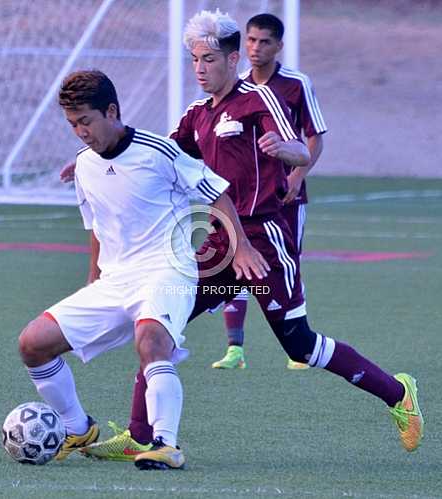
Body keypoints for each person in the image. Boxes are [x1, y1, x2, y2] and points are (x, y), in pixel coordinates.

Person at [81, 10, 424, 465]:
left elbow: (302, 148)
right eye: (194, 60)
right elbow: (156, 154)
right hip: (222, 242)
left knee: (299, 344)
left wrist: (286, 150)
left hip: (264, 240)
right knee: (159, 318)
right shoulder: (196, 116)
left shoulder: (258, 101)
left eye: (208, 59)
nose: (200, 68)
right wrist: (99, 156)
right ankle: (141, 436)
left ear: (233, 58)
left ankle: (399, 393)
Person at [18, 69, 269, 470]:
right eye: (72, 124)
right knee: (32, 343)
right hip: (116, 280)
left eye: (86, 120)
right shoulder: (84, 165)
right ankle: (77, 427)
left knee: (151, 341)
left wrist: (240, 248)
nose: (80, 131)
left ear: (112, 111)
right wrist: (92, 278)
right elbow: (97, 224)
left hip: (166, 271)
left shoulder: (158, 151)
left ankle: (165, 443)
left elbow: (216, 191)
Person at [213, 13, 327, 371]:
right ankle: (235, 347)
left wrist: (296, 176)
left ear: (279, 46)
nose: (255, 48)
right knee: (233, 260)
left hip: (287, 194)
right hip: (244, 199)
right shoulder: (238, 87)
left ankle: (298, 347)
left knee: (287, 263)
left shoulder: (295, 84)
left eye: (264, 41)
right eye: (250, 40)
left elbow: (314, 137)